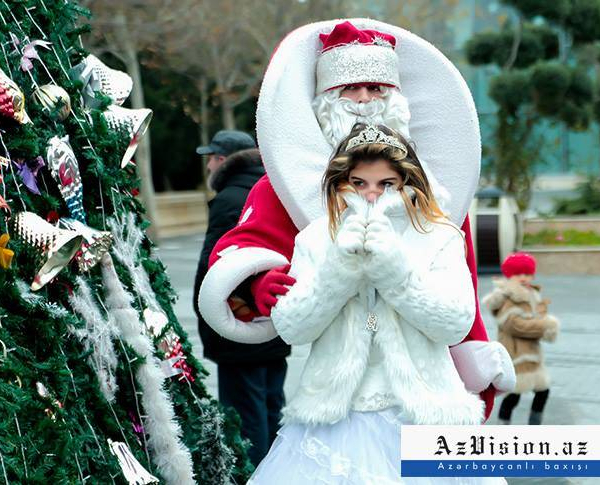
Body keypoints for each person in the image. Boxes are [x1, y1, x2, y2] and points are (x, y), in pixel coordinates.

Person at [198, 19, 515, 424]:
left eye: (376, 88)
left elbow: (460, 283)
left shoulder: (434, 188)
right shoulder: (286, 184)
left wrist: (471, 352)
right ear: (326, 97)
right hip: (337, 393)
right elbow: (241, 249)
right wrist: (259, 282)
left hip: (424, 383)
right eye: (350, 87)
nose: (364, 100)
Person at [249, 124, 504, 484]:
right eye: (359, 183)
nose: (371, 195)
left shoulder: (439, 236)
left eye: (386, 184)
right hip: (334, 416)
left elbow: (455, 323)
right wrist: (339, 271)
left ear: (406, 182)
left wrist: (395, 271)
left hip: (423, 413)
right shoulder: (316, 238)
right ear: (341, 182)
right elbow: (294, 328)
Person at [193, 133, 291, 467]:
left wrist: (212, 317)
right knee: (270, 409)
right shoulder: (272, 192)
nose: (208, 163)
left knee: (244, 422)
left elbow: (216, 267)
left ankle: (254, 475)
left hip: (238, 327)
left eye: (212, 156)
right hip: (272, 323)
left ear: (225, 160)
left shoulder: (230, 198)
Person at [482, 252, 560, 425]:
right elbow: (514, 325)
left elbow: (538, 316)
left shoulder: (532, 294)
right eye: (518, 274)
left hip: (531, 353)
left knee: (542, 390)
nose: (523, 278)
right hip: (515, 354)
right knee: (514, 394)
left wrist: (546, 326)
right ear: (510, 275)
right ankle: (504, 424)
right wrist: (544, 326)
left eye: (527, 274)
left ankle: (534, 425)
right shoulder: (510, 296)